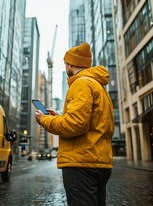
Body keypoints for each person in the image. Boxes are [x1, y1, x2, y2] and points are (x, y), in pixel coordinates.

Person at [35, 42, 114, 206]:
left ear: (70, 64)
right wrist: (60, 116)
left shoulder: (81, 84)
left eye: (65, 63)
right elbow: (91, 122)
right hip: (98, 159)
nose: (65, 66)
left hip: (81, 162)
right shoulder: (97, 85)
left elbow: (75, 124)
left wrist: (44, 120)